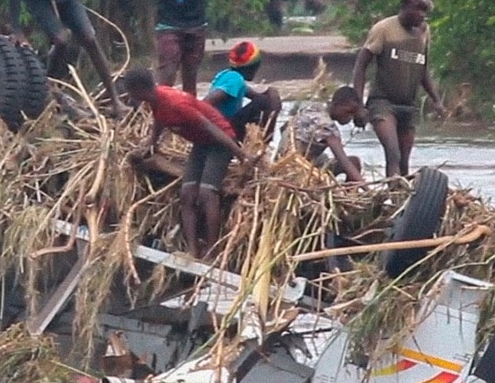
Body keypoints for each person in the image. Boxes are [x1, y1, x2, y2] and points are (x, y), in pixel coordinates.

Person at [123, 67, 250, 259]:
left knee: (207, 192)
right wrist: (152, 143)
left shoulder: (176, 103)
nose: (130, 96)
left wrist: (240, 154)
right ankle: (192, 250)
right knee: (187, 193)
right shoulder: (156, 99)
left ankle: (211, 249)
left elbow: (210, 126)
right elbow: (160, 118)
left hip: (220, 140)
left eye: (130, 92)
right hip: (201, 142)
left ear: (139, 89)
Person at [352, 0, 444, 176]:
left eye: (424, 11)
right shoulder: (383, 29)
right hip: (383, 104)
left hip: (408, 106)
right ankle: (393, 196)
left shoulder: (424, 32)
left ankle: (400, 201)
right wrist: (359, 105)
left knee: (404, 161)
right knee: (393, 154)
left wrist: (436, 100)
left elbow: (422, 69)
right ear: (405, 6)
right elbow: (361, 66)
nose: (422, 15)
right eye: (418, 9)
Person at [278, 86, 365, 183]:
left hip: (281, 163)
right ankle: (350, 195)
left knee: (323, 158)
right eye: (348, 112)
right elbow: (344, 161)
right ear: (336, 104)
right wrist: (367, 188)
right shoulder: (327, 127)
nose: (350, 117)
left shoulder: (312, 108)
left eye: (353, 114)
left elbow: (284, 127)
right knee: (354, 163)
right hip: (296, 169)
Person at [202, 40, 283, 144]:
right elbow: (206, 103)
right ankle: (266, 140)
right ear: (253, 67)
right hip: (224, 127)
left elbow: (255, 95)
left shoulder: (228, 75)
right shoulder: (236, 79)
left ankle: (264, 140)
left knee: (269, 95)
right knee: (265, 100)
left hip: (222, 125)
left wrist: (272, 95)